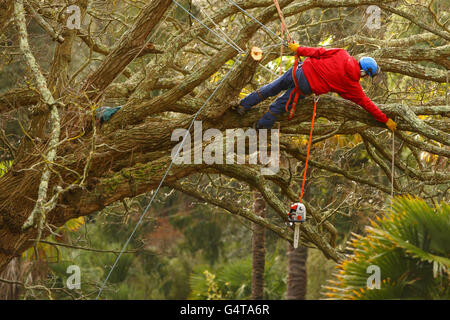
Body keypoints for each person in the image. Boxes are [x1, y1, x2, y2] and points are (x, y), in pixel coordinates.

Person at [233, 43, 397, 131]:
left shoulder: (342, 53)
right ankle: (261, 127)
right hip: (304, 86)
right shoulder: (352, 85)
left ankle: (243, 105)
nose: (365, 78)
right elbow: (366, 104)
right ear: (363, 71)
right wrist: (385, 120)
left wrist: (299, 49)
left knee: (271, 88)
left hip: (298, 70)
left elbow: (318, 52)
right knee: (279, 105)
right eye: (367, 75)